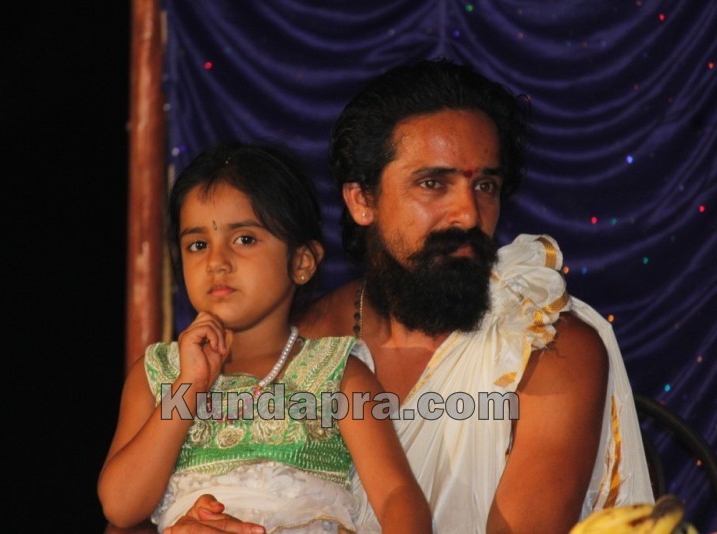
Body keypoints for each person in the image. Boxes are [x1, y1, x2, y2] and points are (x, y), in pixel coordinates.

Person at [177, 59, 654, 533]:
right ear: (362, 200)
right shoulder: (294, 341)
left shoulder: (544, 347)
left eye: (485, 185)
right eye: (433, 184)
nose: (468, 214)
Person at [98, 142, 432, 533]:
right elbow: (120, 506)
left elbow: (396, 496)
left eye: (244, 239)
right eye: (198, 245)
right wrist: (189, 387)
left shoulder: (339, 375)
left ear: (301, 262)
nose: (216, 262)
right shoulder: (157, 376)